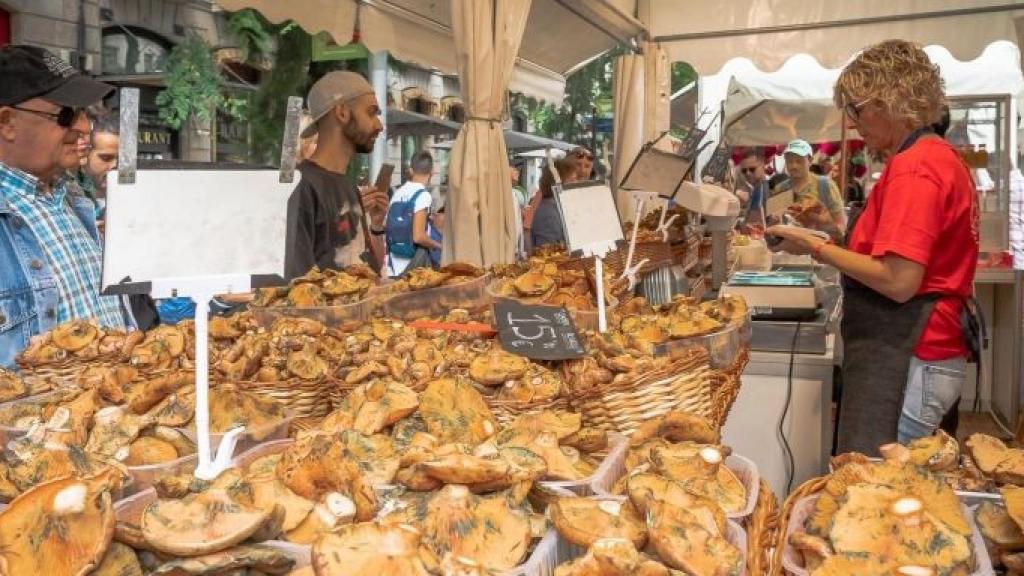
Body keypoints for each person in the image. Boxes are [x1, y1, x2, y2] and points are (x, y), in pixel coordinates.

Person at [768, 40, 978, 452]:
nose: (854, 122)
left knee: (878, 490)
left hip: (907, 355)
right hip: (923, 353)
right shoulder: (938, 157)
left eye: (857, 109)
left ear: (889, 101)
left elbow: (899, 280)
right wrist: (830, 229)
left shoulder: (915, 168)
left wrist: (814, 246)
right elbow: (895, 254)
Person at [0, 45, 136, 368]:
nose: (85, 126)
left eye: (84, 111)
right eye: (65, 115)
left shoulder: (73, 198)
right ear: (7, 122)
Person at [284, 71, 388, 281]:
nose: (379, 125)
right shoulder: (301, 187)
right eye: (371, 113)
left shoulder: (348, 186)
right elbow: (299, 286)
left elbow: (369, 268)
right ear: (341, 113)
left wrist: (376, 225)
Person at [384, 151, 441, 277]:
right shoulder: (423, 195)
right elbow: (418, 237)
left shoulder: (397, 193)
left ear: (411, 171)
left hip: (392, 265)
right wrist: (439, 246)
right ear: (432, 172)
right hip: (413, 266)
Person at [777, 139, 847, 236]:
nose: (794, 166)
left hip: (819, 245)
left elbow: (841, 224)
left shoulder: (825, 185)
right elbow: (775, 223)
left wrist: (822, 222)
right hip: (790, 245)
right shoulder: (781, 188)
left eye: (799, 161)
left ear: (810, 160)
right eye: (789, 161)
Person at [530, 158, 577, 251]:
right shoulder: (548, 212)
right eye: (573, 180)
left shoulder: (558, 207)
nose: (577, 184)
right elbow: (548, 253)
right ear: (558, 183)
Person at [735, 150, 768, 231]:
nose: (748, 173)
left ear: (763, 166)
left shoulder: (761, 188)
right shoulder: (757, 187)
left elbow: (754, 224)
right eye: (744, 171)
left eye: (752, 169)